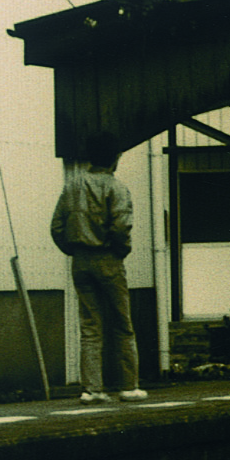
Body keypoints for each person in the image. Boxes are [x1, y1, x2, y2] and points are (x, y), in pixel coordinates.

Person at [50, 134, 145, 403]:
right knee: (122, 324)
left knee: (90, 326)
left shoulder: (72, 187)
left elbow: (57, 226)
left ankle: (92, 389)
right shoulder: (117, 188)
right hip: (108, 258)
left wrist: (73, 249)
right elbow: (121, 227)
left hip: (80, 260)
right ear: (115, 158)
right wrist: (120, 250)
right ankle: (128, 386)